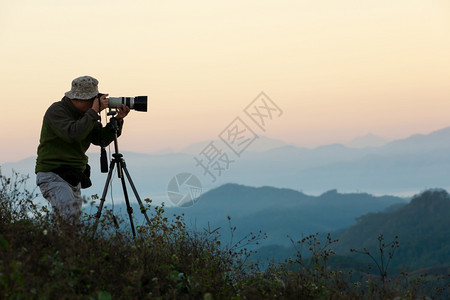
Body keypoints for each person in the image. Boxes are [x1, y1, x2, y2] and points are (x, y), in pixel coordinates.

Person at [35, 75, 130, 222]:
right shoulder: (56, 111)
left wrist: (118, 120)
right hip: (53, 174)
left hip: (74, 175)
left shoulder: (87, 115)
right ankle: (51, 244)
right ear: (79, 99)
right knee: (69, 221)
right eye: (92, 100)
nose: (96, 103)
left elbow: (100, 139)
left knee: (72, 225)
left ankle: (59, 245)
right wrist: (92, 113)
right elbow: (73, 134)